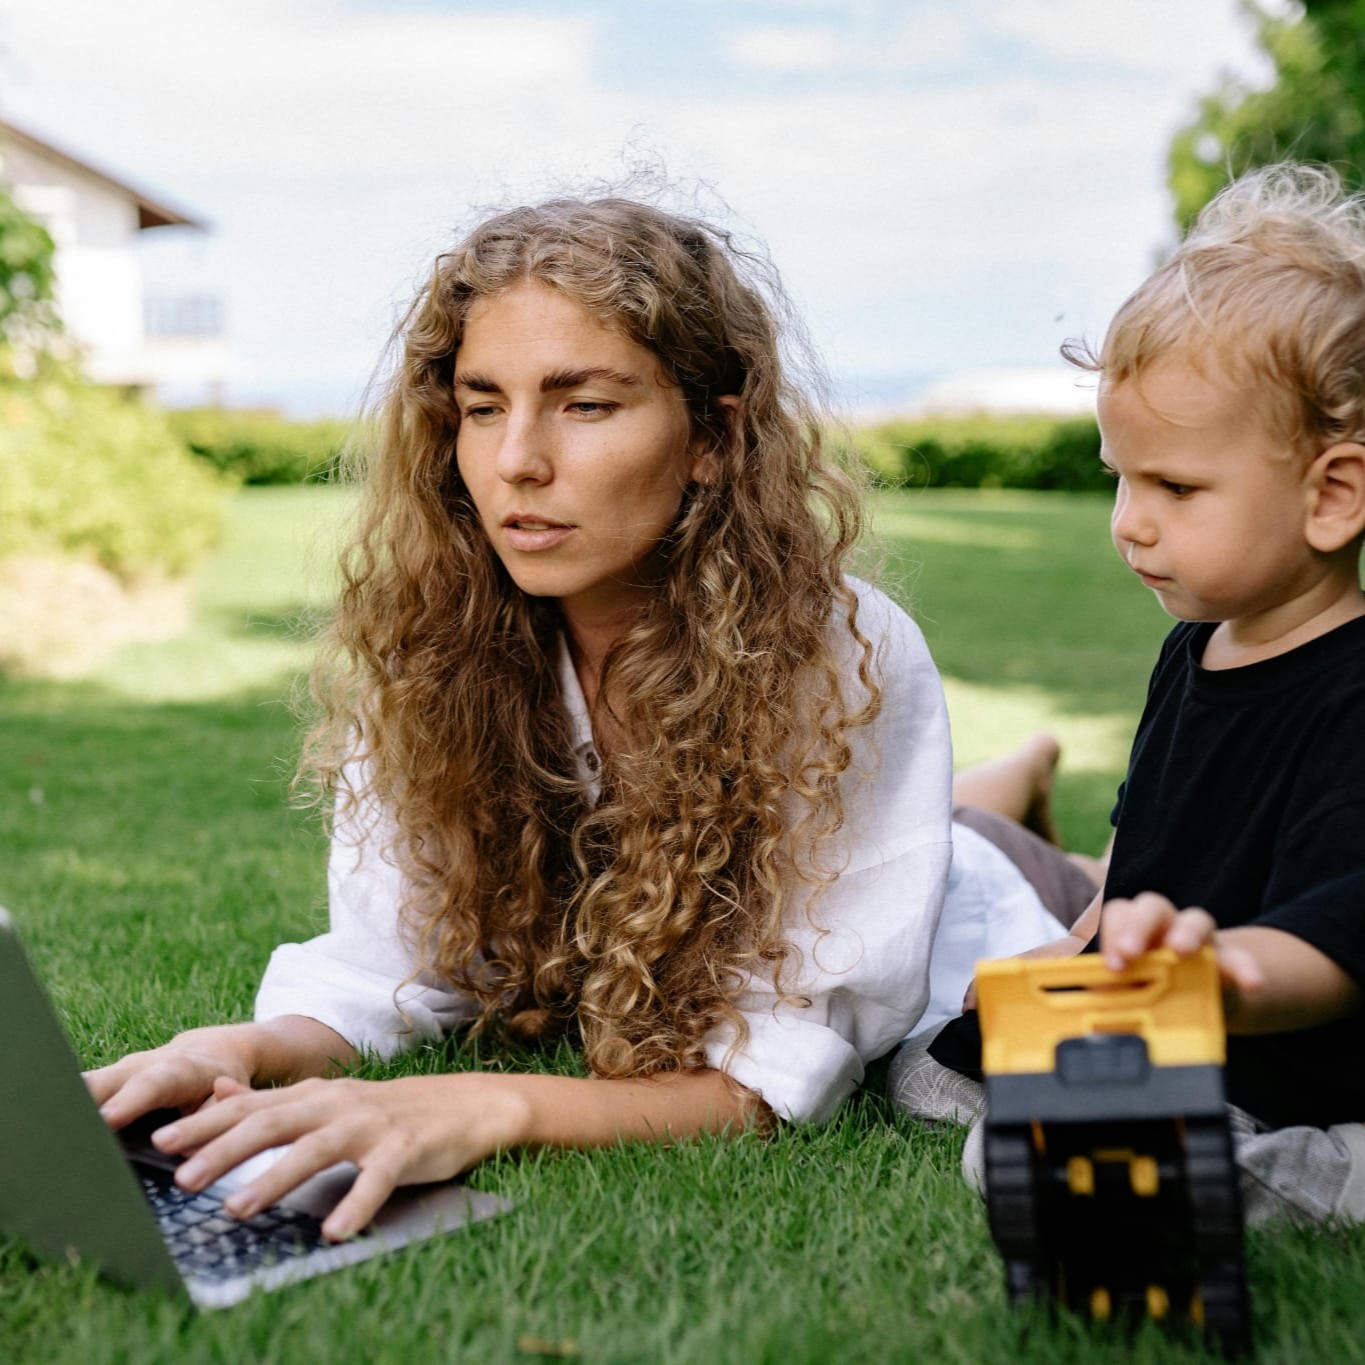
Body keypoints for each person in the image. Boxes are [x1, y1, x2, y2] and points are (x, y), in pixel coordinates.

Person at [86, 195, 1066, 1243]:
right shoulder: (436, 645)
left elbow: (772, 1078)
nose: (517, 462)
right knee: (964, 818)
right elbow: (388, 961)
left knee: (990, 857)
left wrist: (484, 1103)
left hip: (960, 904)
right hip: (887, 835)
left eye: (585, 405)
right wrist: (240, 1047)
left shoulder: (843, 658)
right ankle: (1011, 780)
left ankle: (1022, 794)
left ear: (712, 437)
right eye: (481, 405)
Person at [892, 162, 1365, 1225]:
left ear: (1333, 494)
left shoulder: (1350, 697)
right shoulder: (1194, 650)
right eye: (1120, 476)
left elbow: (1334, 954)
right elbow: (1154, 854)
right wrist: (1072, 951)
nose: (1129, 523)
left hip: (1295, 1058)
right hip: (1163, 1022)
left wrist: (1216, 975)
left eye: (1176, 488)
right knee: (927, 1071)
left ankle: (1326, 1169)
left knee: (1023, 1153)